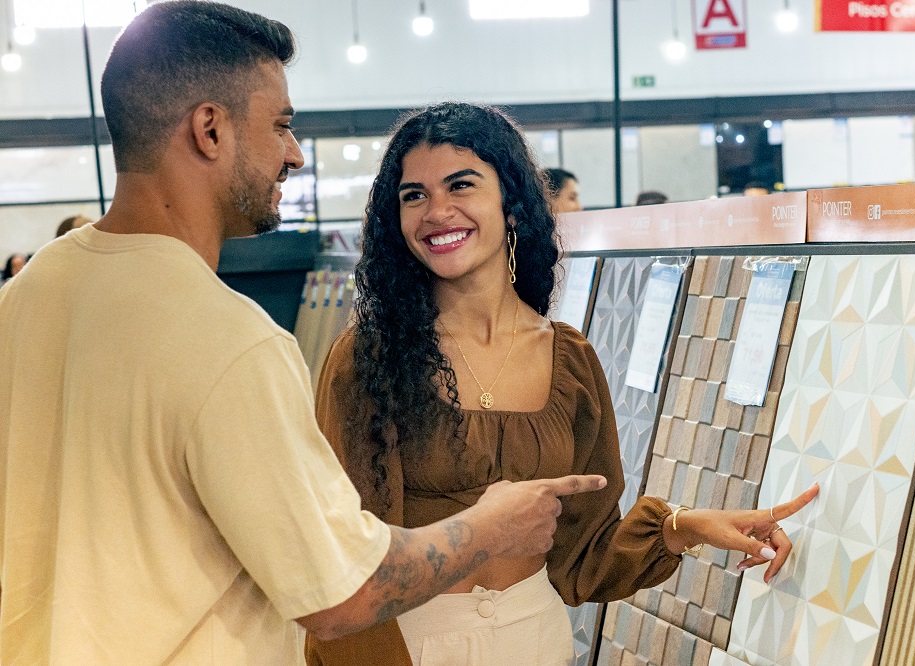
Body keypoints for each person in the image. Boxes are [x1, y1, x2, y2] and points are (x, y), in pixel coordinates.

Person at [0, 4, 606, 663]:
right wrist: (486, 529)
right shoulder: (229, 341)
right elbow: (341, 593)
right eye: (281, 125)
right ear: (210, 129)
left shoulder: (27, 298)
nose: (291, 155)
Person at [307, 102, 819, 665]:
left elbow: (584, 557)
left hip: (536, 637)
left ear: (512, 204)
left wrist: (683, 527)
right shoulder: (367, 362)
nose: (437, 211)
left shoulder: (569, 358)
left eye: (461, 185)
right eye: (414, 196)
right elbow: (343, 560)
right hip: (410, 640)